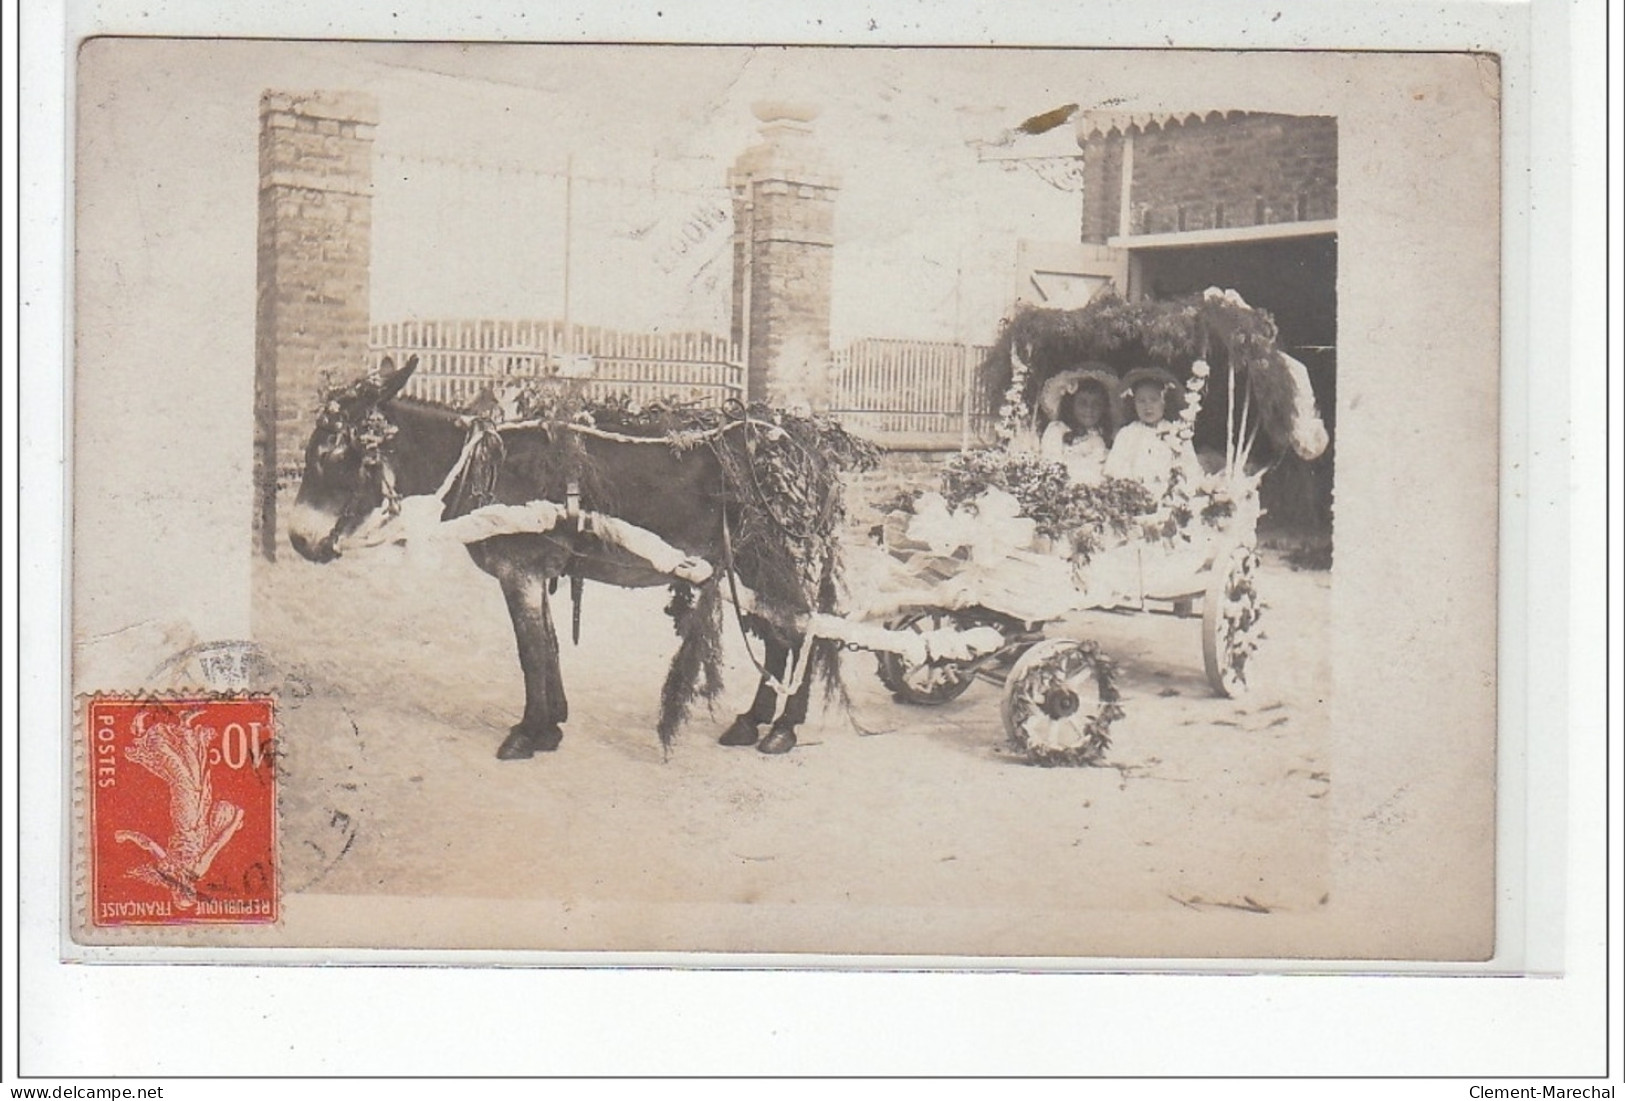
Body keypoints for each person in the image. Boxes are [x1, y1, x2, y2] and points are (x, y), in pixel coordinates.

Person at [1103, 366, 1200, 497]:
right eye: (1141, 401)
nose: (1147, 407)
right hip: (1134, 497)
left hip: (1170, 498)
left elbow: (1191, 470)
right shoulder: (1127, 434)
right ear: (1134, 404)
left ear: (1164, 402)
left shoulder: (1176, 433)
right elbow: (1114, 471)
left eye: (1154, 400)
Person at [1035, 365, 1121, 485]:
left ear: (1104, 407)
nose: (1089, 410)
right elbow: (1051, 465)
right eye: (1082, 403)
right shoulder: (1058, 430)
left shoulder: (1108, 434)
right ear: (1071, 404)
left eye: (1096, 404)